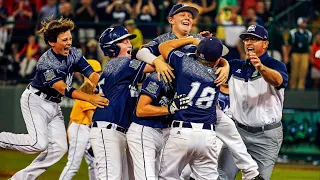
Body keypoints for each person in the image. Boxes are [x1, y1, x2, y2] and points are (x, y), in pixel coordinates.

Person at [137, 3, 261, 180]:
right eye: (183, 14)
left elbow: (220, 53)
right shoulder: (164, 38)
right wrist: (158, 62)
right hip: (171, 101)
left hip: (195, 106)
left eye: (191, 15)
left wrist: (225, 66)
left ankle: (251, 172)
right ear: (171, 20)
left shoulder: (197, 38)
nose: (188, 17)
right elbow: (140, 53)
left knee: (227, 125)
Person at [0, 17, 109, 179]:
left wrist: (97, 85)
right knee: (38, 143)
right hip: (36, 101)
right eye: (64, 40)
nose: (69, 42)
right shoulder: (46, 62)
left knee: (59, 148)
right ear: (52, 42)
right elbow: (63, 88)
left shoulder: (74, 53)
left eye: (70, 38)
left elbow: (91, 73)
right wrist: (90, 98)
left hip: (54, 104)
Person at [89, 25, 164, 180]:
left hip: (116, 130)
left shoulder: (122, 68)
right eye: (124, 42)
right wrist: (154, 51)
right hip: (108, 129)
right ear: (112, 49)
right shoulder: (121, 63)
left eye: (129, 41)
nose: (129, 44)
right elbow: (157, 66)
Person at [218, 24, 288, 180]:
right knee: (221, 176)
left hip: (266, 135)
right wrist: (204, 42)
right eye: (246, 39)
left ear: (265, 44)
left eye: (255, 39)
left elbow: (278, 80)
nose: (249, 42)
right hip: (237, 132)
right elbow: (213, 61)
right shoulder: (235, 65)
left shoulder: (276, 65)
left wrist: (261, 67)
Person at [158, 35, 229, 179]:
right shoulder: (219, 72)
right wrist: (226, 65)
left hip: (182, 131)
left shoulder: (184, 63)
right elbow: (219, 62)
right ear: (217, 60)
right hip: (207, 135)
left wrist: (191, 39)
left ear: (197, 52)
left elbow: (163, 47)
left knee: (167, 177)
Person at [59, 60, 102, 180]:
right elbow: (91, 117)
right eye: (96, 72)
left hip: (82, 128)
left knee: (94, 162)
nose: (98, 75)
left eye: (99, 72)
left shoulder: (91, 89)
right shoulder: (86, 90)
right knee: (73, 164)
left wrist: (68, 130)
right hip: (81, 129)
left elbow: (73, 116)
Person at [287, 17, 312, 89]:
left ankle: (301, 87)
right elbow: (289, 45)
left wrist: (311, 55)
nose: (305, 24)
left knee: (304, 69)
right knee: (294, 70)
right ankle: (293, 86)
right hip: (295, 53)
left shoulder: (308, 33)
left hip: (305, 53)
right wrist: (287, 55)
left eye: (306, 22)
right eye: (303, 22)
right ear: (299, 23)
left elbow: (310, 45)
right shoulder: (293, 32)